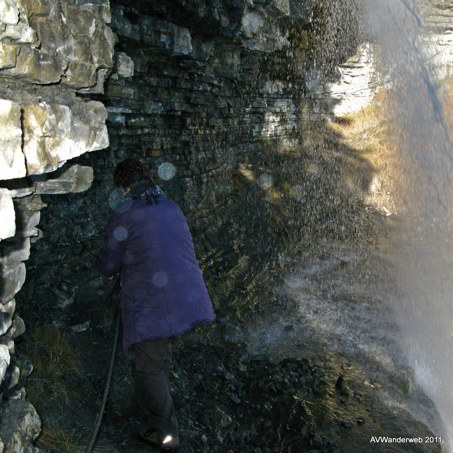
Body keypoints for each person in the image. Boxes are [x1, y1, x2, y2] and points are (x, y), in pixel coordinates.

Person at [97, 158, 216, 451]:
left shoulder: (126, 213)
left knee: (148, 368)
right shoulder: (170, 206)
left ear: (124, 185)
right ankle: (153, 409)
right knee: (156, 355)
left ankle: (166, 433)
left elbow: (109, 263)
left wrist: (105, 264)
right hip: (185, 295)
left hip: (156, 302)